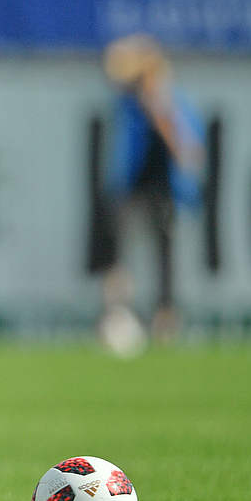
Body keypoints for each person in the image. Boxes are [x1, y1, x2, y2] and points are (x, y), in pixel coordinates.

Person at [93, 33, 204, 354]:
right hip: (132, 183)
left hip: (160, 186)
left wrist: (180, 149)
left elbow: (183, 139)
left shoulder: (166, 98)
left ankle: (164, 318)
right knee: (120, 251)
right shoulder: (131, 100)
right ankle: (117, 314)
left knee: (162, 250)